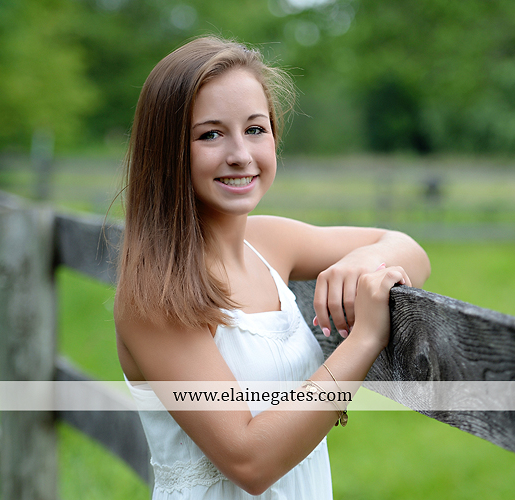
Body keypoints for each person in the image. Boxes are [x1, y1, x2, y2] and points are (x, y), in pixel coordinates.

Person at [114, 35, 431, 499]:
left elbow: (411, 250)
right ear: (167, 152)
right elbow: (249, 460)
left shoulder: (270, 242)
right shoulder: (158, 293)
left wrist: (365, 260)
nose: (241, 153)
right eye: (211, 134)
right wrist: (364, 340)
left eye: (256, 129)